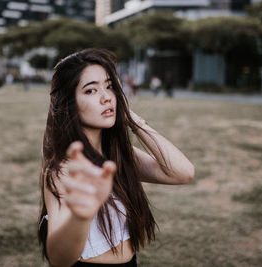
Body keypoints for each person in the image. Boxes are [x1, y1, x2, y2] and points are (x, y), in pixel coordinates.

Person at [38, 49, 194, 267]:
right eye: (91, 90)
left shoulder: (117, 153)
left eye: (110, 86)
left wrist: (133, 119)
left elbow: (182, 173)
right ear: (68, 103)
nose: (106, 97)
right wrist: (80, 216)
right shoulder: (64, 170)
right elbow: (59, 259)